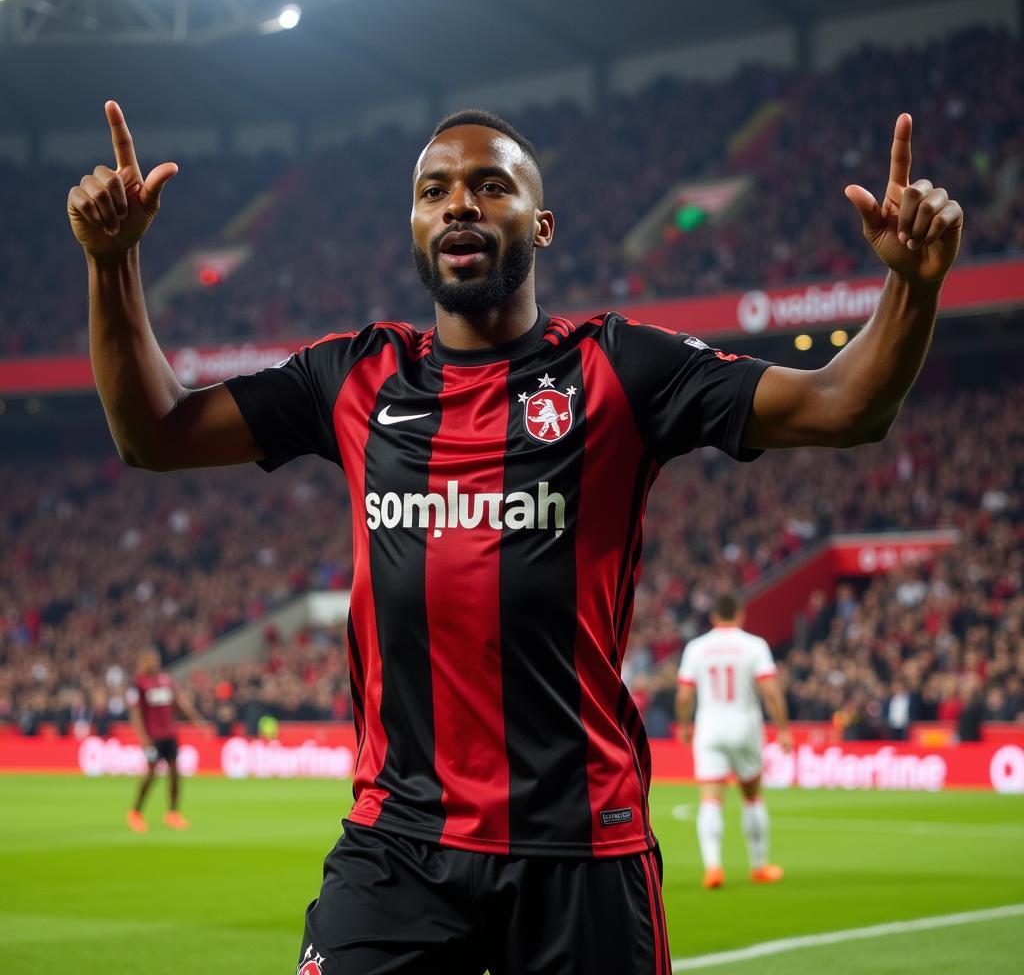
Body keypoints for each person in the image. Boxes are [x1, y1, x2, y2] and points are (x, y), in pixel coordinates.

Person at [69, 99, 961, 972]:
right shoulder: (351, 377)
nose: (459, 202)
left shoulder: (619, 369)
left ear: (541, 226)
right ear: (415, 227)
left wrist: (912, 287)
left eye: (492, 186)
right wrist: (112, 265)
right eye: (434, 190)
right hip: (399, 849)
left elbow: (844, 406)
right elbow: (154, 435)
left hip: (582, 850)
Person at [675, 594, 793, 889]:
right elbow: (770, 691)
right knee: (752, 797)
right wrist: (783, 729)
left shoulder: (697, 647)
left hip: (710, 727)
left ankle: (713, 868)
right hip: (744, 725)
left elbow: (685, 695)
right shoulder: (754, 645)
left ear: (713, 617)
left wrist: (685, 726)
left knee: (710, 799)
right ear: (740, 615)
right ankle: (759, 866)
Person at [125, 645, 208, 833]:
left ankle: (172, 813)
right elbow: (136, 713)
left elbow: (179, 703)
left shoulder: (165, 680)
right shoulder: (138, 684)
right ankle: (136, 813)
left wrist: (197, 721)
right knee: (151, 774)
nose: (154, 663)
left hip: (169, 734)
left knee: (175, 773)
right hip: (152, 737)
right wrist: (143, 737)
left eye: (156, 660)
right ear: (143, 662)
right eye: (150, 660)